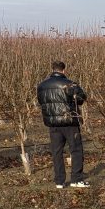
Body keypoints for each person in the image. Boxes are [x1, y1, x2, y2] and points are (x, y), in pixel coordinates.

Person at [37, 61, 89, 189]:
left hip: (53, 124)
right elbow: (81, 99)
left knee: (57, 152)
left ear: (52, 69)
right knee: (76, 150)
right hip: (70, 122)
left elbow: (41, 101)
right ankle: (76, 179)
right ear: (64, 70)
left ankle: (59, 181)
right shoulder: (70, 84)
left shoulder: (42, 86)